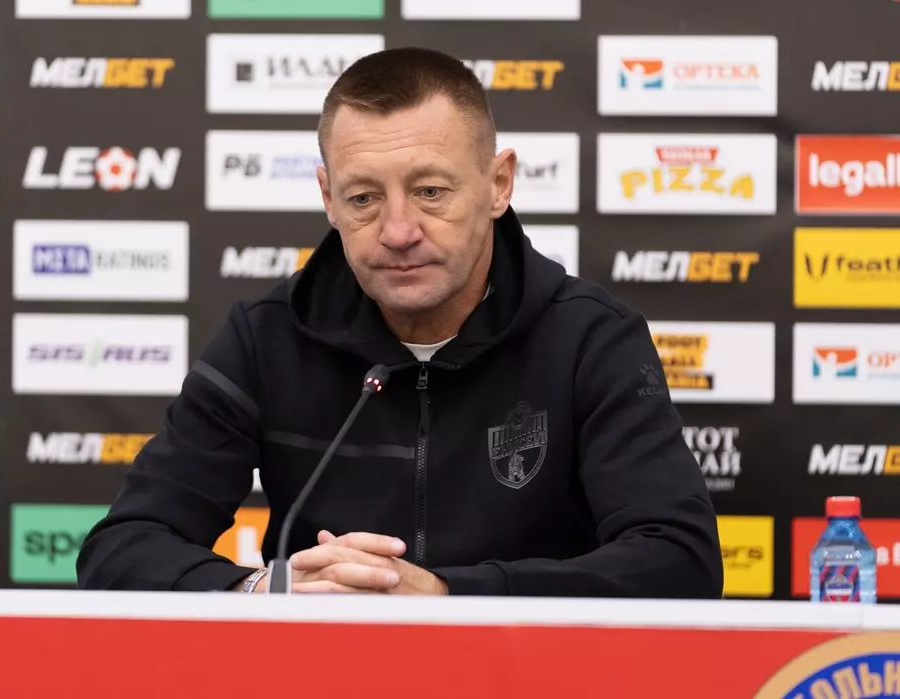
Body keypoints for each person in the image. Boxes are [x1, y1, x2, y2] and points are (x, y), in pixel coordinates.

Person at [76, 47, 724, 598]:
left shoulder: (589, 338)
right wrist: (266, 592)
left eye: (430, 191)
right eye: (363, 198)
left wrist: (447, 596)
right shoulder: (266, 336)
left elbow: (680, 561)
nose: (397, 231)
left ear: (499, 184)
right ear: (328, 199)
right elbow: (122, 546)